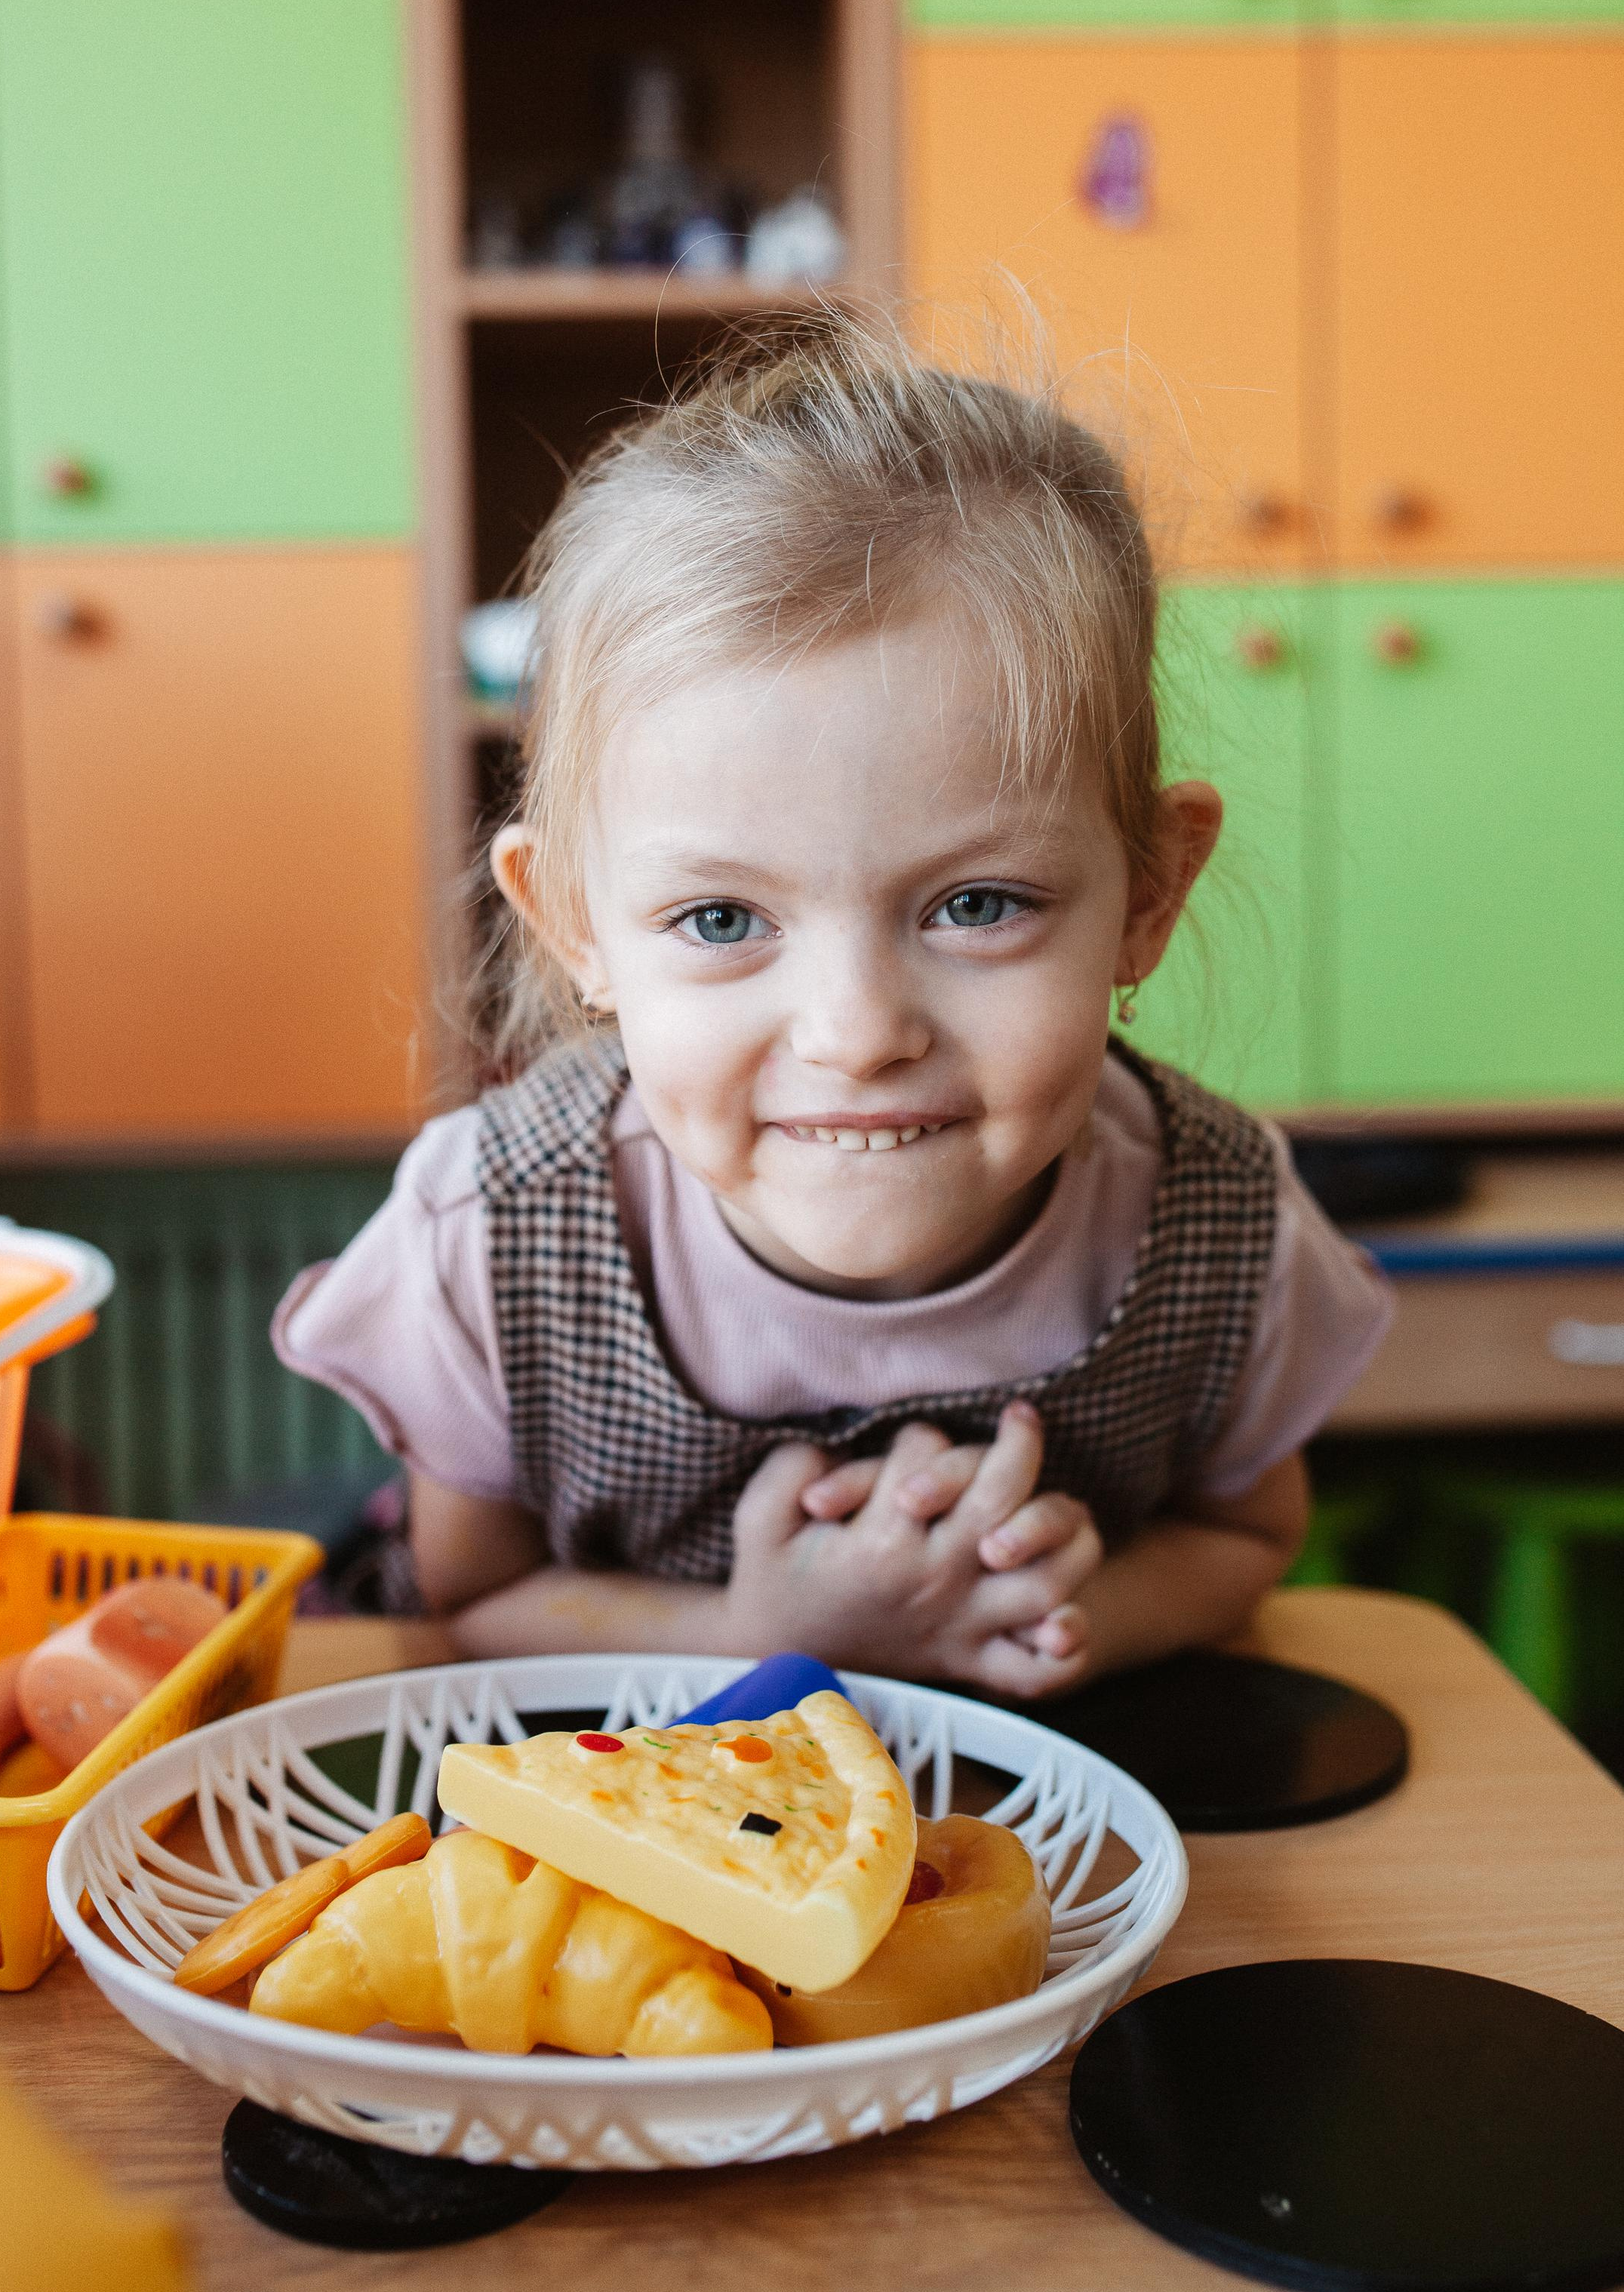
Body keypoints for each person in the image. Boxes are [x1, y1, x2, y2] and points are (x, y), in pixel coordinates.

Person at [276, 316, 1389, 1700]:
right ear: (574, 923)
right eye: (722, 920)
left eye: (976, 905)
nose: (857, 1033)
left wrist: (1065, 1614)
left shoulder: (1222, 1217)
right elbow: (475, 1596)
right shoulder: (493, 1231)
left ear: (1149, 894)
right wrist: (763, 1638)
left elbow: (1246, 1534)